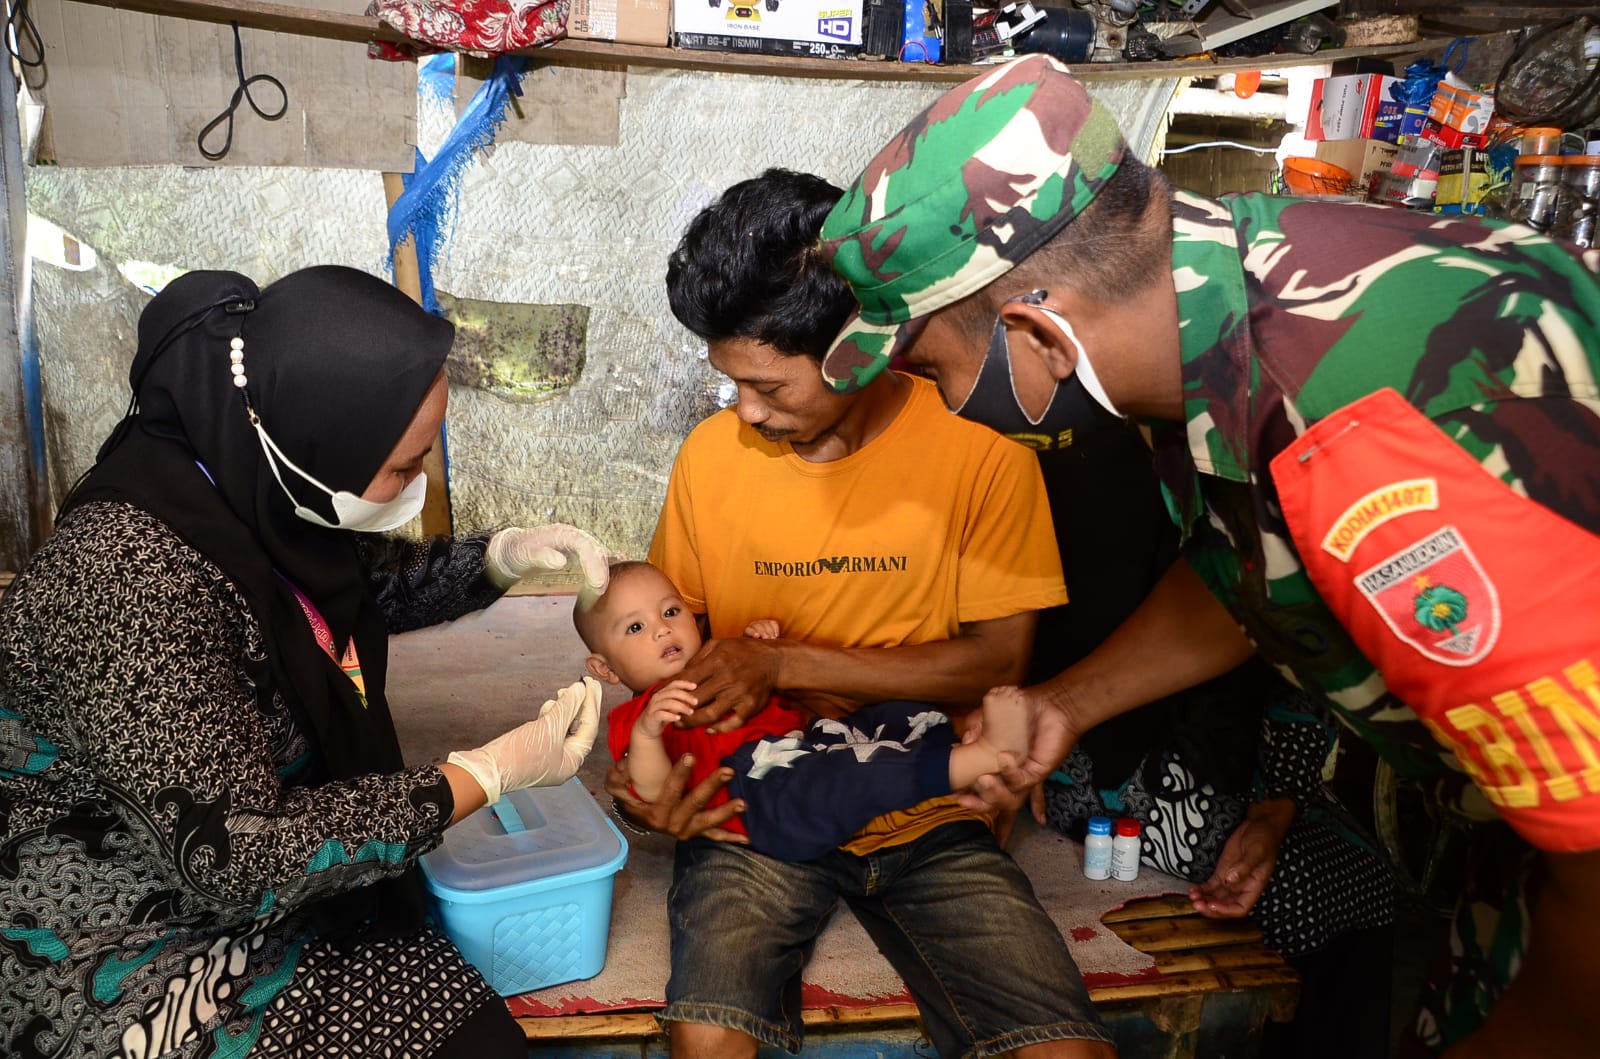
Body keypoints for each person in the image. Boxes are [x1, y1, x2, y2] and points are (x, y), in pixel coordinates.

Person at [815, 53, 1600, 1058]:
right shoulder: (1215, 299)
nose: (939, 399)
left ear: (1036, 333)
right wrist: (1069, 703)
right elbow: (1261, 564)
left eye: (930, 367)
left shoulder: (1361, 438)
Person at [0, 266, 615, 1059]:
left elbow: (335, 599)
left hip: (261, 879)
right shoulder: (124, 582)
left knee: (475, 1031)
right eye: (403, 466)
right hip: (126, 934)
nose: (420, 486)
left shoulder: (243, 476)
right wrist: (478, 776)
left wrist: (496, 562)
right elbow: (234, 855)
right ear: (310, 442)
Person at [611, 168, 1116, 1058]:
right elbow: (669, 649)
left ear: (857, 346)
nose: (747, 412)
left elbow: (996, 663)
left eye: (770, 386)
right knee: (706, 1038)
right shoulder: (711, 457)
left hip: (925, 798)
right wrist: (649, 772)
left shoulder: (981, 450)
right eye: (732, 384)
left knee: (1060, 1048)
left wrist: (787, 662)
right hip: (754, 798)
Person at [580, 559, 1031, 860]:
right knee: (852, 775)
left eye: (671, 611)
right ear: (605, 668)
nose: (662, 630)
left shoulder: (718, 662)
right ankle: (988, 756)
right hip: (760, 794)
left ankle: (953, 758)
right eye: (636, 627)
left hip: (807, 741)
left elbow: (768, 684)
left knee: (899, 716)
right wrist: (647, 735)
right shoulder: (636, 719)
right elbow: (656, 794)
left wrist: (763, 646)